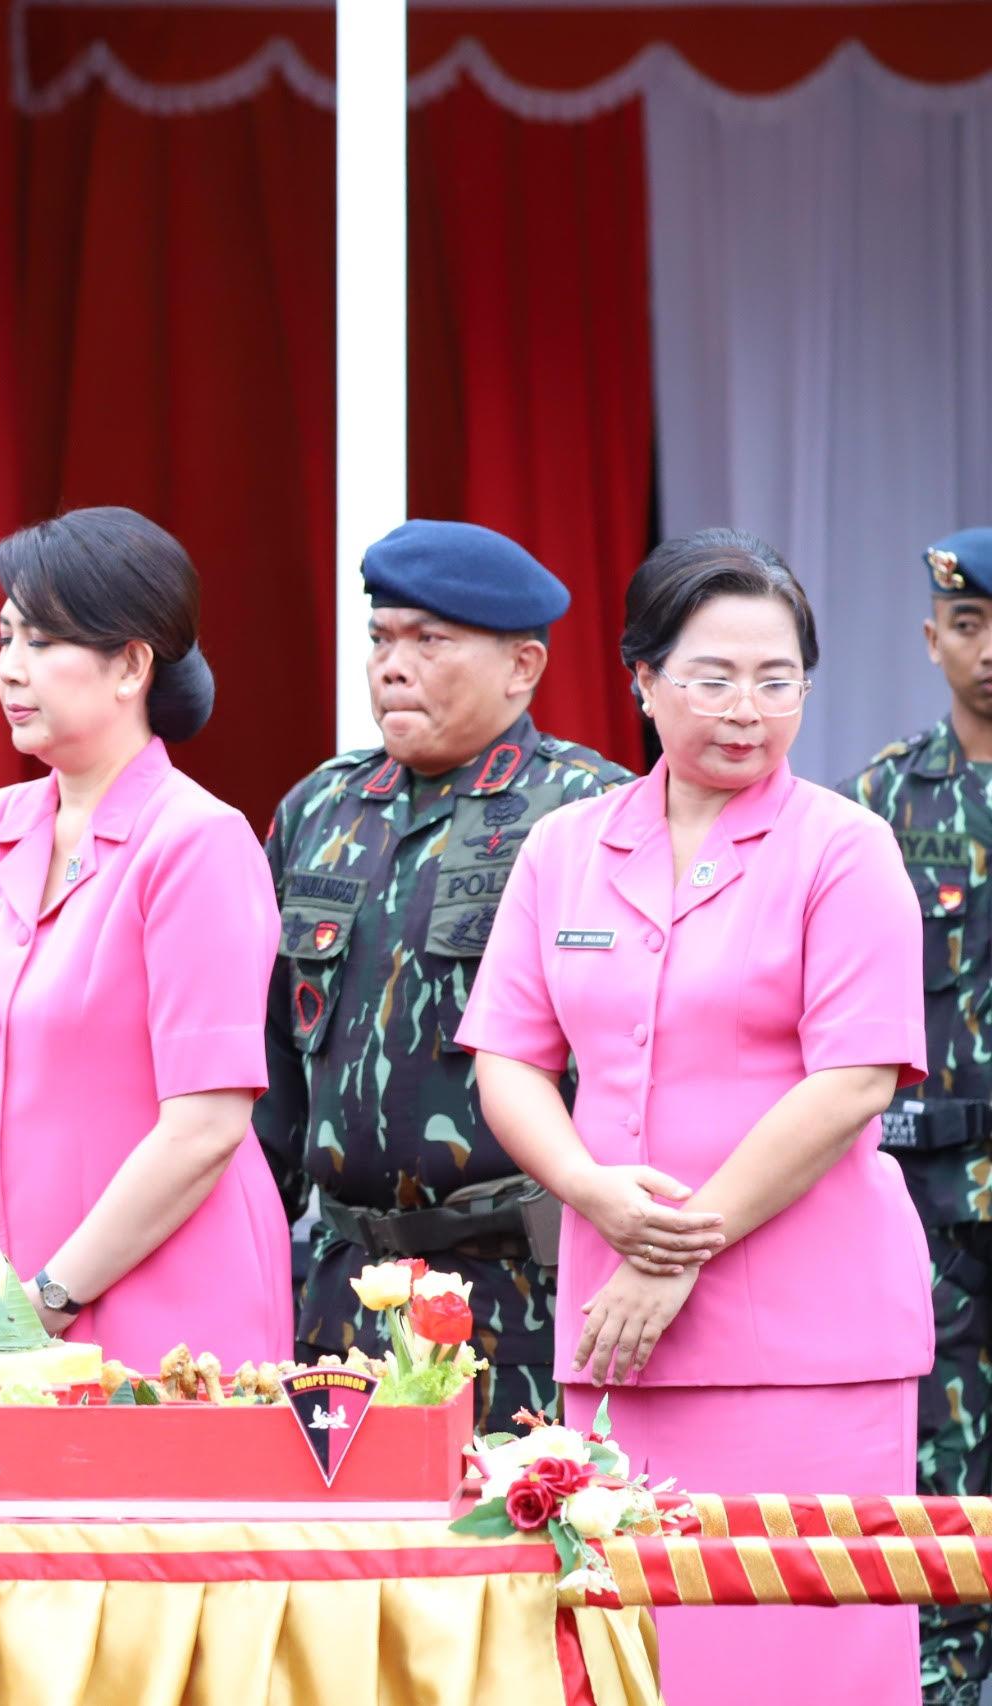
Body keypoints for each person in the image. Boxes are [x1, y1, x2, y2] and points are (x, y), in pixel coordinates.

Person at [458, 529, 929, 1702]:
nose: (746, 707)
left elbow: (853, 1080)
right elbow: (509, 1056)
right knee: (633, 1645)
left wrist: (677, 1245)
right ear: (641, 676)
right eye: (712, 675)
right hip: (616, 1332)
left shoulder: (843, 847)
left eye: (778, 680)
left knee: (805, 1649)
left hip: (810, 1343)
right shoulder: (566, 848)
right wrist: (587, 1187)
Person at [257, 520, 632, 1428]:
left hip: (525, 1296)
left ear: (523, 666)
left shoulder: (591, 813)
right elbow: (269, 1073)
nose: (394, 664)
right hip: (344, 1298)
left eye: (431, 640)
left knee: (519, 1555)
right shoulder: (320, 809)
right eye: (383, 638)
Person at [0, 506, 289, 1368]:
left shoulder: (196, 841)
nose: (9, 669)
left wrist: (48, 1297)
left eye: (41, 642)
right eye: (5, 637)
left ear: (131, 666)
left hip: (168, 1314)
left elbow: (205, 1127)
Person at [840, 525, 992, 1706]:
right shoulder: (879, 802)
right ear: (930, 639)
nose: (988, 652)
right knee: (931, 1476)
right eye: (970, 625)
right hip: (928, 1195)